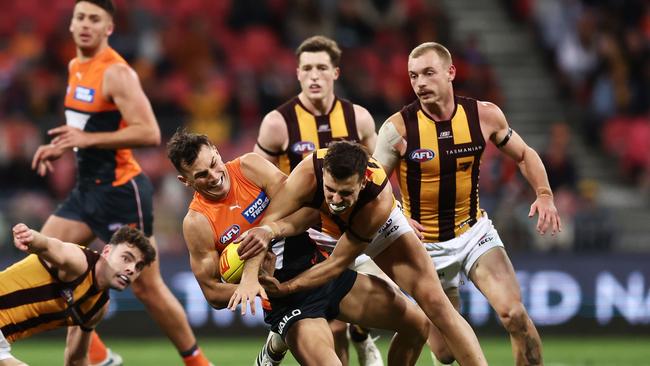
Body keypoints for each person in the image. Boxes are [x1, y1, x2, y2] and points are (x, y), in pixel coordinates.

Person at [29, 1, 212, 365]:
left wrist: (85, 142)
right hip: (87, 191)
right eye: (80, 17)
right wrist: (61, 146)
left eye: (94, 19)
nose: (85, 25)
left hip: (122, 191)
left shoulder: (117, 73)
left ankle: (198, 363)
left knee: (147, 286)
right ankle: (97, 356)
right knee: (46, 262)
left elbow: (148, 132)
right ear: (71, 24)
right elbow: (87, 127)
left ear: (109, 28)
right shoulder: (75, 66)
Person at [166, 129, 429, 366]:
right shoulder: (197, 223)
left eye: (213, 164)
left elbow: (313, 211)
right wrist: (251, 288)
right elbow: (212, 292)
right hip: (287, 303)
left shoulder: (250, 167)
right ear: (185, 181)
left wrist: (271, 232)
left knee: (417, 325)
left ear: (216, 151)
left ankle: (276, 345)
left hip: (319, 270)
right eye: (201, 175)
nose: (214, 177)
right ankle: (280, 337)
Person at [372, 42, 562, 365]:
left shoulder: (484, 116)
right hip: (424, 247)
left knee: (514, 314)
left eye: (428, 73)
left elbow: (525, 154)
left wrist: (544, 193)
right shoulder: (398, 128)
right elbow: (372, 185)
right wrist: (396, 214)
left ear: (451, 73)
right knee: (444, 354)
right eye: (413, 75)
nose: (420, 83)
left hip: (474, 232)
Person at [235, 141, 488, 365]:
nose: (335, 199)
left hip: (375, 229)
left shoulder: (378, 199)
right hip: (322, 227)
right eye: (330, 189)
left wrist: (287, 288)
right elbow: (267, 225)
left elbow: (336, 265)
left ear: (363, 180)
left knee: (435, 305)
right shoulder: (307, 172)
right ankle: (284, 334)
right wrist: (249, 276)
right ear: (323, 174)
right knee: (331, 326)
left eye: (345, 192)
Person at [254, 35, 382, 366]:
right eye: (307, 68)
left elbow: (381, 176)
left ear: (336, 73)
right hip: (302, 235)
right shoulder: (277, 123)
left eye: (322, 68)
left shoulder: (361, 119)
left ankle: (362, 333)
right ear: (297, 73)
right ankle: (288, 338)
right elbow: (259, 185)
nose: (314, 76)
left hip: (349, 229)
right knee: (331, 329)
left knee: (384, 291)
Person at [1, 223, 156, 366]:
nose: (131, 269)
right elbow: (48, 246)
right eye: (126, 258)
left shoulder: (98, 307)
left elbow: (76, 359)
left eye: (138, 266)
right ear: (107, 251)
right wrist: (31, 238)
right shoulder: (79, 261)